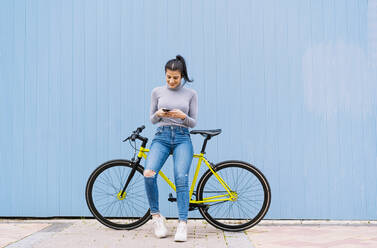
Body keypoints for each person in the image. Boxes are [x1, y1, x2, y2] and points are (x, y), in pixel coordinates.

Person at [144, 55, 198, 242]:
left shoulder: (191, 94)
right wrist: (158, 114)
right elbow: (152, 119)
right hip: (162, 137)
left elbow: (193, 122)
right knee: (149, 173)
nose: (171, 81)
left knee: (181, 178)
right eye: (168, 77)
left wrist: (183, 116)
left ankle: (182, 223)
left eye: (175, 77)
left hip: (183, 137)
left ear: (182, 75)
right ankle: (157, 217)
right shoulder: (157, 92)